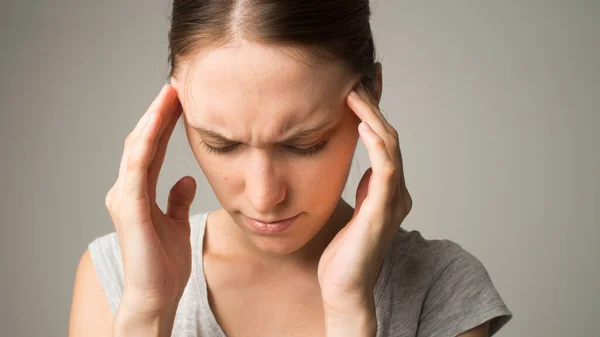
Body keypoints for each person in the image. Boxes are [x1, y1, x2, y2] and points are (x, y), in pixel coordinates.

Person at [69, 1, 512, 336]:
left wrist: (349, 311)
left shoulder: (440, 289)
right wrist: (146, 313)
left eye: (305, 144)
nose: (264, 197)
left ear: (371, 98)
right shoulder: (115, 275)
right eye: (220, 144)